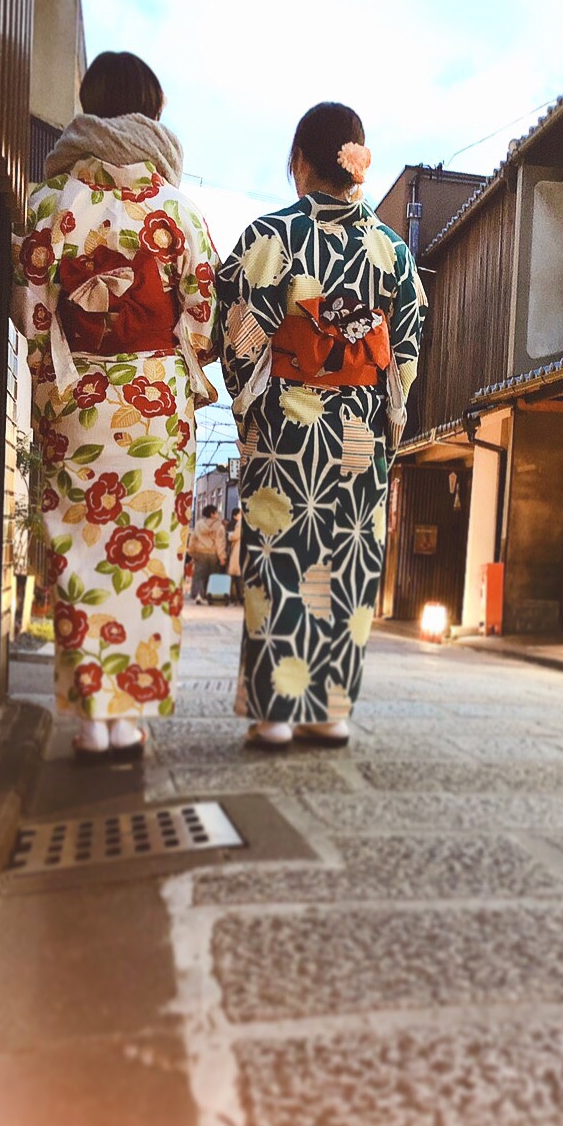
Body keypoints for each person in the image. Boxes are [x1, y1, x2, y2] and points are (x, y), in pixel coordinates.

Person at [11, 51, 218, 758]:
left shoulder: (49, 203)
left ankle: (89, 721)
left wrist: (51, 383)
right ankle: (126, 719)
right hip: (155, 407)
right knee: (146, 559)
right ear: (150, 114)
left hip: (78, 397)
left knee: (80, 550)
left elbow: (36, 316)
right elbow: (202, 319)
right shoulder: (177, 210)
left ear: (90, 109)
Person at [217, 102, 425, 750]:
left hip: (287, 429)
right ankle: (330, 711)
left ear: (301, 163)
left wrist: (250, 409)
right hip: (360, 431)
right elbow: (407, 350)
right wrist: (387, 425)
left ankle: (275, 712)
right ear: (357, 165)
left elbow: (236, 330)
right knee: (347, 565)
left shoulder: (270, 236)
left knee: (280, 559)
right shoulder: (392, 252)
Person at [188, 503, 227, 602]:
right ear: (212, 514)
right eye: (216, 512)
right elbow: (220, 542)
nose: (218, 514)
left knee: (199, 575)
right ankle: (210, 595)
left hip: (200, 552)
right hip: (213, 554)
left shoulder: (199, 524)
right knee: (212, 574)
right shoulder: (219, 526)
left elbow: (193, 539)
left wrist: (191, 552)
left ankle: (198, 595)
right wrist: (222, 556)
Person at [226, 506, 243, 603]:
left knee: (236, 575)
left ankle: (236, 596)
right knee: (238, 575)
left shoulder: (239, 523)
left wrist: (229, 536)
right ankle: (238, 595)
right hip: (239, 549)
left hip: (237, 550)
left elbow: (235, 536)